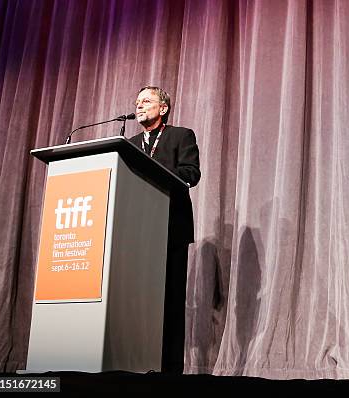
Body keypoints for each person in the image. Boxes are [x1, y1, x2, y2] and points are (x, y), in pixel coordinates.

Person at [129, 86, 201, 374]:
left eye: (146, 101)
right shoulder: (130, 143)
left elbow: (191, 174)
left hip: (171, 226)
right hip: (135, 232)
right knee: (137, 298)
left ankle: (170, 371)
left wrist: (154, 169)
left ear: (163, 108)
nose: (139, 106)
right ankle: (135, 362)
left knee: (169, 299)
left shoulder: (181, 136)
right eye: (137, 102)